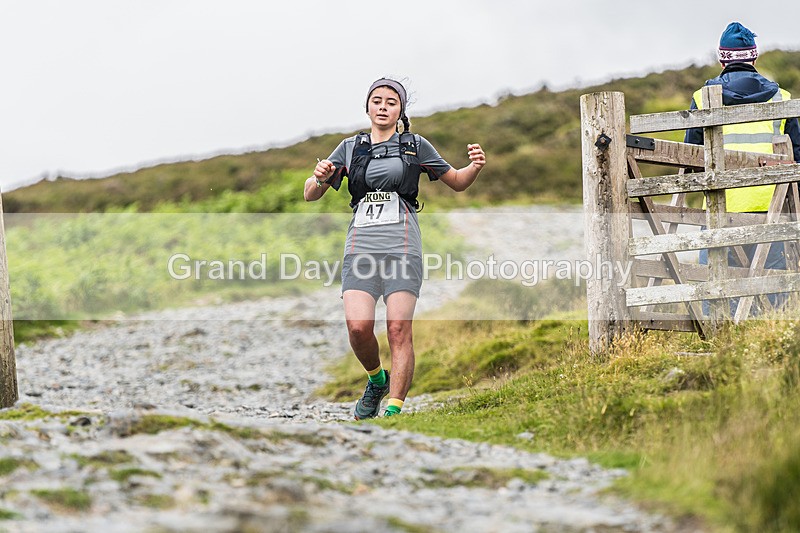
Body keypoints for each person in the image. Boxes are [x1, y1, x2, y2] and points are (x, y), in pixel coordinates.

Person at [303, 78, 485, 419]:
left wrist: (473, 166)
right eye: (377, 100)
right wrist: (320, 176)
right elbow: (310, 193)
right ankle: (376, 380)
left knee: (398, 329)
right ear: (367, 107)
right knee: (358, 328)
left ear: (401, 110)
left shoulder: (415, 146)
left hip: (403, 246)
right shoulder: (350, 147)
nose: (383, 106)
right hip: (361, 246)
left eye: (391, 101)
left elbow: (457, 182)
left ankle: (394, 411)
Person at [684, 22, 800, 314]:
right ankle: (768, 341)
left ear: (722, 59)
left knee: (718, 281)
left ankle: (719, 343)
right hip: (772, 203)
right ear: (754, 58)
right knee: (772, 287)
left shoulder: (701, 98)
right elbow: (797, 155)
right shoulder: (781, 98)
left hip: (721, 205)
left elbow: (691, 159)